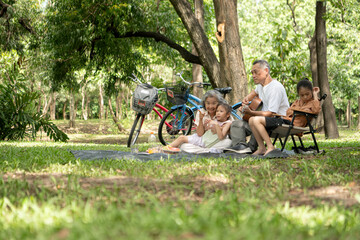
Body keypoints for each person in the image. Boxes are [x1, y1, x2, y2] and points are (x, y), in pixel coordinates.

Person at [227, 59, 289, 153]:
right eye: (252, 73)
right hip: (262, 121)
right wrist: (246, 100)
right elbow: (254, 92)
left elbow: (271, 113)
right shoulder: (260, 86)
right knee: (236, 124)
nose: (253, 76)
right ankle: (242, 147)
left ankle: (261, 147)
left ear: (266, 71)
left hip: (278, 120)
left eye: (256, 72)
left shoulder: (275, 87)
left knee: (255, 119)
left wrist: (251, 112)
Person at [249, 78, 321, 156]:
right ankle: (262, 148)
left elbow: (316, 110)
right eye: (302, 95)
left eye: (307, 94)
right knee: (251, 119)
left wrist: (315, 94)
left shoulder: (313, 103)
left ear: (311, 92)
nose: (305, 97)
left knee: (256, 120)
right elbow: (288, 111)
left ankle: (270, 146)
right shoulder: (297, 102)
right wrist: (301, 110)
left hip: (292, 124)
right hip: (285, 120)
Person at [166, 101, 232, 149]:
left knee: (181, 138)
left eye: (221, 111)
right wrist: (206, 125)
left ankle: (165, 149)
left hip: (204, 142)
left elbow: (221, 137)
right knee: (182, 139)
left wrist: (216, 125)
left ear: (228, 114)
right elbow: (208, 131)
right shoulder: (215, 120)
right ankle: (170, 148)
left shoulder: (227, 123)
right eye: (217, 111)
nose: (218, 113)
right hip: (202, 138)